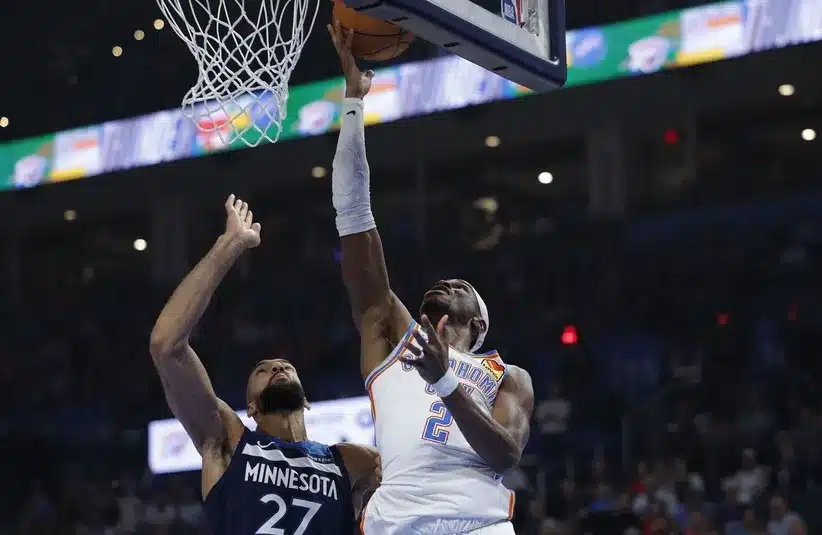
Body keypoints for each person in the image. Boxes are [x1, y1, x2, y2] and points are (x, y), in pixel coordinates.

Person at [327, 21, 535, 535]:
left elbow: (505, 454)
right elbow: (354, 217)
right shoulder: (391, 337)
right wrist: (353, 105)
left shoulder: (508, 377)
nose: (449, 284)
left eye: (464, 288)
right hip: (399, 523)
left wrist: (444, 379)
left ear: (480, 326)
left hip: (478, 525)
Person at [149, 195, 381, 535]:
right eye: (262, 370)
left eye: (285, 366)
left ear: (305, 398)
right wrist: (228, 246)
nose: (276, 368)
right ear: (251, 407)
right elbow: (166, 345)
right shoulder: (229, 441)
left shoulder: (353, 461)